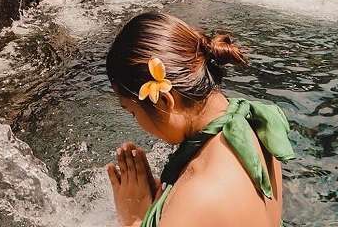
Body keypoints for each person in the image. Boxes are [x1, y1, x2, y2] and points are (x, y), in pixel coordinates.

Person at [105, 12, 295, 227]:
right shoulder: (256, 128)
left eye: (132, 111)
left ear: (165, 101)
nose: (136, 122)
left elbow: (200, 209)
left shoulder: (197, 197)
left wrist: (133, 217)